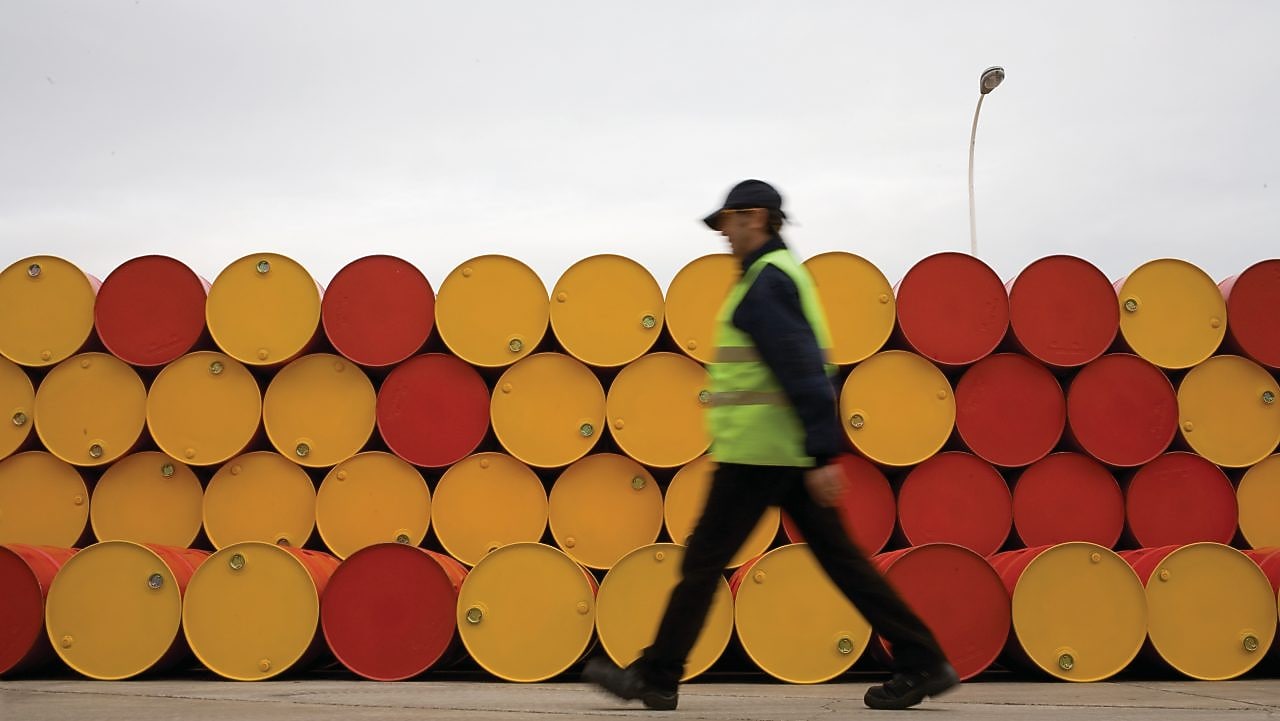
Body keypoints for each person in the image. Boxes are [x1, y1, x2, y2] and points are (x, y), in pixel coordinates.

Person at [583, 179, 958, 711]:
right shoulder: (777, 276)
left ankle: (658, 674)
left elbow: (803, 370)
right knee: (837, 562)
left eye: (729, 223)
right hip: (775, 454)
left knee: (705, 563)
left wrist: (823, 454)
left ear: (755, 218)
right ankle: (923, 661)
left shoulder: (766, 283)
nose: (724, 235)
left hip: (761, 457)